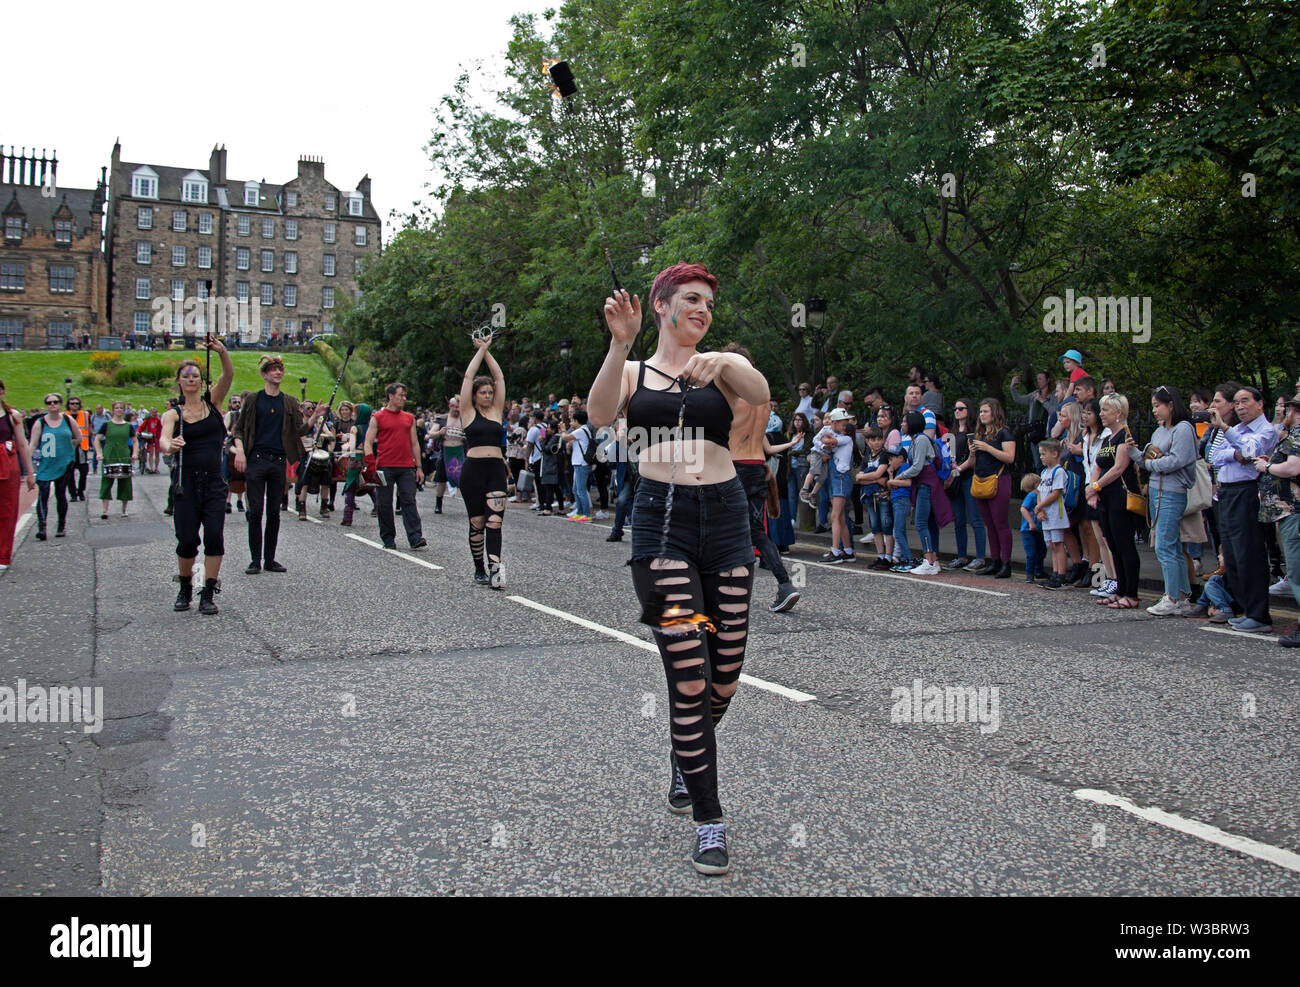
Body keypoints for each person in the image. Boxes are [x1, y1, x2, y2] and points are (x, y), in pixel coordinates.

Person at [587, 263, 769, 877]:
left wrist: (721, 360)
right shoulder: (636, 372)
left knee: (728, 674)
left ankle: (684, 751)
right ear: (661, 305)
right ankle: (710, 818)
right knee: (689, 674)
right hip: (661, 524)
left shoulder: (719, 368)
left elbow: (760, 389)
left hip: (724, 520)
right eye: (692, 299)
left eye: (710, 303)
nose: (703, 309)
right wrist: (619, 343)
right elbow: (598, 412)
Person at [231, 355, 327, 574]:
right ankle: (255, 560)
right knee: (255, 512)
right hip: (256, 459)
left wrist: (314, 419)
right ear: (264, 374)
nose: (278, 372)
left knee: (274, 512)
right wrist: (240, 452)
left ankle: (270, 559)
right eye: (273, 369)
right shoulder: (254, 399)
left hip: (278, 461)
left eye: (280, 369)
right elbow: (238, 429)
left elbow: (299, 431)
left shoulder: (290, 402)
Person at [160, 338, 235, 614]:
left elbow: (228, 375)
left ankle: (208, 592)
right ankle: (185, 587)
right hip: (186, 483)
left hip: (214, 482)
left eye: (195, 375)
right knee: (188, 539)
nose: (191, 379)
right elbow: (163, 441)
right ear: (179, 382)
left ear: (202, 381)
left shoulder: (213, 404)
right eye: (186, 376)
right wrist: (171, 445)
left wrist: (221, 351)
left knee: (214, 536)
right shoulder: (173, 414)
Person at [727, 343, 801, 608]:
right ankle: (785, 584)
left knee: (719, 526)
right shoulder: (762, 398)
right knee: (756, 531)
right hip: (758, 466)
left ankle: (719, 588)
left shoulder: (733, 396)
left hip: (733, 466)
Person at [1209, 385, 1277, 632]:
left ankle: (1259, 614)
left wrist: (1229, 435)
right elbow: (1215, 456)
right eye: (1236, 402)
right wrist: (1235, 452)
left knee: (1248, 552)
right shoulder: (1237, 430)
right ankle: (1246, 608)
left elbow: (1250, 451)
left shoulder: (1266, 430)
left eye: (1245, 401)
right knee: (1232, 554)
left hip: (1247, 491)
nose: (1240, 407)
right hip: (1226, 492)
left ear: (1259, 403)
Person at [1134, 385, 1198, 615]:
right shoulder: (1159, 431)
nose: (1155, 410)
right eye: (1153, 406)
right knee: (1169, 545)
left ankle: (1172, 596)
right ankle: (1180, 595)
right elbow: (1150, 455)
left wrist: (1150, 465)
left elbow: (1177, 460)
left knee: (1165, 545)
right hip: (1157, 489)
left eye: (1158, 405)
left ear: (1171, 405)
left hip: (1172, 491)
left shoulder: (1183, 429)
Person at [458, 335, 509, 587]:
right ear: (475, 396)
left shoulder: (497, 411)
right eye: (484, 392)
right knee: (477, 522)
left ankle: (495, 568)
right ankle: (479, 567)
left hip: (495, 470)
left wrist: (488, 350)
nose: (488, 395)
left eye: (490, 392)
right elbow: (468, 378)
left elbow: (499, 378)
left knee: (494, 521)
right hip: (473, 472)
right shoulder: (467, 412)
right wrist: (480, 351)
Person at [1087, 393, 1142, 609]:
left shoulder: (1125, 435)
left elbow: (1119, 467)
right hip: (1105, 498)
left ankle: (1132, 593)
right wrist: (1092, 487)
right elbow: (1098, 464)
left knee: (1124, 544)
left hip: (1120, 495)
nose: (1101, 414)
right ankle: (1120, 590)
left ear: (1119, 413)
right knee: (1112, 544)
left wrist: (1096, 486)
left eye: (1105, 410)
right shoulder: (1108, 438)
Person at [1255, 395, 1300, 646]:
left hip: (1293, 511)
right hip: (1290, 512)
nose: (1284, 411)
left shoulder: (1298, 434)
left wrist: (1267, 468)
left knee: (1297, 572)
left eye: (1288, 407)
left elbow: (1293, 468)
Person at [364, 382, 426, 551]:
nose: (403, 399)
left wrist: (419, 467)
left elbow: (415, 443)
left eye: (405, 395)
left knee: (409, 500)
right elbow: (368, 442)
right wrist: (370, 463)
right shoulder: (378, 417)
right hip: (385, 466)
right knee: (384, 503)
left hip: (406, 467)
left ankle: (415, 537)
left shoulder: (409, 418)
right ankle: (388, 538)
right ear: (390, 396)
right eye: (400, 395)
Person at [895, 410, 953, 575]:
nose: (902, 425)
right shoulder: (916, 440)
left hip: (927, 484)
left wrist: (901, 475)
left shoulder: (920, 440)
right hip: (924, 484)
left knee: (921, 522)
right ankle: (932, 560)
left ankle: (929, 560)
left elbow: (918, 466)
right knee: (926, 522)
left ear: (912, 423)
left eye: (905, 422)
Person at [965, 398, 1016, 579]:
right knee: (989, 524)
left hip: (999, 480)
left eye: (986, 411)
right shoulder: (980, 434)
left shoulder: (1004, 433)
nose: (982, 415)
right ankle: (994, 560)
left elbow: (1009, 457)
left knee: (1000, 523)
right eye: (980, 412)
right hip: (981, 480)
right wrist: (972, 454)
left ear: (995, 413)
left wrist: (987, 447)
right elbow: (973, 463)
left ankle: (1006, 562)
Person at [943, 398, 988, 573]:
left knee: (975, 519)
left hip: (968, 477)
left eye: (961, 408)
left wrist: (956, 472)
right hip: (955, 480)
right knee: (958, 520)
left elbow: (972, 459)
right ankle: (961, 556)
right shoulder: (952, 432)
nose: (957, 411)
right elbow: (949, 456)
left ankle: (980, 557)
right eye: (955, 408)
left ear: (969, 410)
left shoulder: (974, 432)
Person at [29, 394, 78, 540]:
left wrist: (68, 451)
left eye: (55, 402)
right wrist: (28, 464)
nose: (52, 405)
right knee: (43, 494)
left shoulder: (68, 420)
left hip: (64, 464)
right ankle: (42, 527)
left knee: (60, 494)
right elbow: (33, 444)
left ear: (60, 404)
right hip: (46, 464)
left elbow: (78, 437)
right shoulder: (40, 423)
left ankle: (61, 525)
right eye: (49, 403)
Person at [0, 379, 36, 571]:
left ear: (3, 392)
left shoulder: (12, 416)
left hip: (8, 467)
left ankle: (3, 555)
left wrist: (30, 473)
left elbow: (22, 445)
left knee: (7, 510)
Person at [1034, 439, 1072, 589]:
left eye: (1044, 454)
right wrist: (1040, 509)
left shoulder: (1059, 471)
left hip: (1056, 514)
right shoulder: (1044, 472)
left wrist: (1040, 506)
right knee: (1051, 544)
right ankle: (1055, 573)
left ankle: (1061, 575)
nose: (1041, 457)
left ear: (1055, 454)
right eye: (1040, 454)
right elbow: (1040, 492)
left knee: (1058, 544)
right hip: (1046, 515)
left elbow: (1056, 493)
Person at [92, 401, 136, 520]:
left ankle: (124, 509)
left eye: (121, 408)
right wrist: (99, 453)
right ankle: (105, 509)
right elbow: (97, 439)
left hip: (123, 454)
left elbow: (135, 441)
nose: (119, 410)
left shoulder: (128, 426)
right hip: (109, 455)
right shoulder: (106, 425)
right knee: (106, 482)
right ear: (113, 410)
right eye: (116, 408)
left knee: (125, 483)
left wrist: (135, 453)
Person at [1019, 473, 1047, 582]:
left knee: (1041, 551)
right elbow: (1023, 509)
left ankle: (1039, 571)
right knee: (1031, 553)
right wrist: (1031, 522)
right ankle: (1030, 574)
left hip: (1038, 529)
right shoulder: (1032, 495)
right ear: (1036, 484)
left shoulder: (1039, 495)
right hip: (1028, 530)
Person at [66, 397, 91, 501]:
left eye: (76, 403)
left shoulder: (85, 415)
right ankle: (73, 493)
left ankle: (81, 491)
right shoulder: (64, 415)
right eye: (72, 403)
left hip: (82, 447)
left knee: (83, 471)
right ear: (69, 405)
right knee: (69, 472)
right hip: (68, 447)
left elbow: (89, 428)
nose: (74, 405)